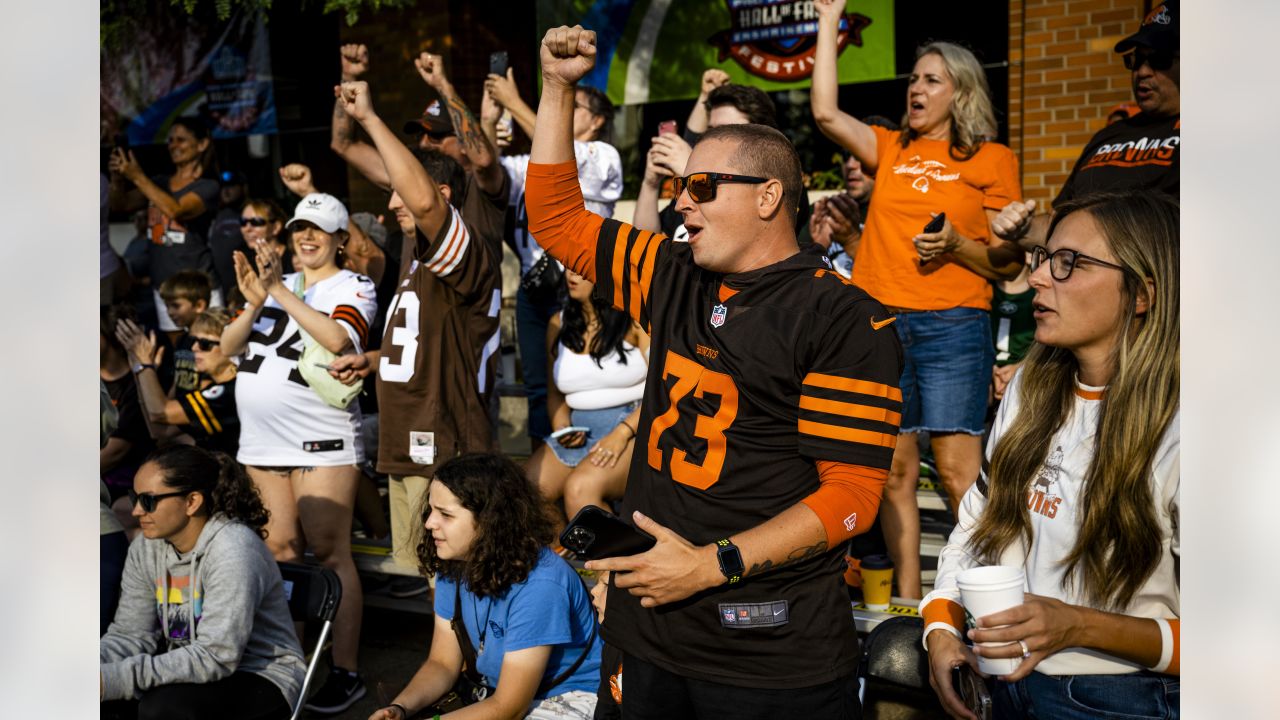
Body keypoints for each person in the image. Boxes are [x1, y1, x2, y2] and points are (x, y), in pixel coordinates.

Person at [526, 26, 903, 718]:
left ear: (767, 197)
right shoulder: (672, 272)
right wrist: (556, 87)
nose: (680, 202)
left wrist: (709, 564)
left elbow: (851, 496)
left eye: (702, 186)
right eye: (677, 185)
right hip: (646, 631)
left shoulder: (841, 316)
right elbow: (555, 221)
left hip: (764, 651)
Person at [921, 191, 1180, 719]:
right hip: (1001, 682)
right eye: (1044, 258)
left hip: (1122, 700)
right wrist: (941, 625)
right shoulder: (1029, 388)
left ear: (1143, 294)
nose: (1038, 277)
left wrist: (1078, 624)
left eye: (1070, 263)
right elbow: (976, 522)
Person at [811, 0, 1025, 599]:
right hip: (881, 322)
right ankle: (910, 602)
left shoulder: (991, 160)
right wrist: (829, 21)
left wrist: (957, 245)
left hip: (954, 324)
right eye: (913, 78)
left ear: (961, 93)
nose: (916, 88)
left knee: (958, 472)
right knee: (894, 472)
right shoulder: (893, 148)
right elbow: (825, 112)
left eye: (932, 79)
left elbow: (1008, 262)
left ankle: (984, 593)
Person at [325, 83, 502, 586]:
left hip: (444, 442)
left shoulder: (465, 249)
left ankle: (472, 666)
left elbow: (425, 204)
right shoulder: (413, 261)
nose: (392, 206)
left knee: (454, 582)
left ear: (440, 197)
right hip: (406, 440)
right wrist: (376, 359)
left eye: (400, 192)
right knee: (424, 576)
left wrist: (372, 117)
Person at [220, 191, 377, 714]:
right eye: (298, 230)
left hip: (322, 439)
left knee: (331, 555)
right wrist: (258, 299)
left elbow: (339, 340)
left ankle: (346, 669)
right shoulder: (274, 286)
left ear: (339, 238)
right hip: (261, 444)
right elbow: (227, 348)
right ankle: (289, 660)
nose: (306, 238)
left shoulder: (354, 284)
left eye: (317, 229)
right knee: (281, 554)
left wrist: (279, 294)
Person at [369, 453, 601, 720]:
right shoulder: (455, 561)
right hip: (497, 692)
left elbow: (509, 708)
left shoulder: (541, 583)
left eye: (445, 514)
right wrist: (400, 708)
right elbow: (442, 663)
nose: (429, 523)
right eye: (431, 510)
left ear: (490, 521)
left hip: (568, 696)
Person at [100, 445, 306, 720]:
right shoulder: (145, 548)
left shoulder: (234, 550)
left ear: (192, 502)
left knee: (161, 708)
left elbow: (218, 655)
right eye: (133, 497)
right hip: (192, 668)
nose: (136, 511)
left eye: (148, 501)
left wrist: (113, 680)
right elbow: (129, 634)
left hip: (260, 674)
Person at [483, 69, 623, 446]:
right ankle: (546, 479)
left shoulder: (604, 155)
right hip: (536, 287)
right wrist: (489, 122)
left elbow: (569, 158)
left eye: (572, 105)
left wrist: (516, 103)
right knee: (537, 388)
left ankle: (593, 460)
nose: (560, 110)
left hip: (586, 287)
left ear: (597, 121)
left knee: (584, 378)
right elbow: (489, 173)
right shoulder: (528, 162)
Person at [991, 0, 1180, 251]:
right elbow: (1062, 224)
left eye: (1159, 59)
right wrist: (1024, 229)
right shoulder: (1109, 135)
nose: (1142, 71)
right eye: (1135, 60)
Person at [331, 43, 510, 259]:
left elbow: (482, 161)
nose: (424, 143)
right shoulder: (412, 180)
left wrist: (442, 84)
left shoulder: (482, 188)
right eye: (419, 135)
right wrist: (348, 77)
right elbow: (344, 144)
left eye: (436, 135)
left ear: (464, 142)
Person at [525, 268, 648, 520]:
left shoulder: (635, 319)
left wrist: (622, 433)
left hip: (632, 427)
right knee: (524, 492)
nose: (571, 275)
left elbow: (665, 388)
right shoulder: (558, 323)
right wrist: (563, 428)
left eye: (580, 269)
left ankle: (623, 558)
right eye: (567, 267)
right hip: (577, 428)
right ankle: (561, 554)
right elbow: (554, 393)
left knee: (580, 491)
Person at [636, 76, 811, 240]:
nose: (712, 139)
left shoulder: (779, 184)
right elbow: (645, 247)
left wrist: (692, 174)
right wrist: (650, 185)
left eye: (725, 131)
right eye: (710, 130)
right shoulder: (689, 194)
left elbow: (747, 244)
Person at [107, 118, 224, 332]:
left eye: (181, 140)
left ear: (202, 144)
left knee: (211, 348)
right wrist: (118, 179)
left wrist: (137, 176)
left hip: (198, 288)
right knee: (181, 356)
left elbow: (176, 210)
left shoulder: (208, 186)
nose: (173, 145)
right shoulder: (159, 183)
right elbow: (120, 205)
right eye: (170, 140)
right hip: (164, 287)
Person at [115, 309, 241, 457]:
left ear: (232, 347)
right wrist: (140, 373)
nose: (194, 348)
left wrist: (145, 366)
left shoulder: (232, 392)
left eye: (204, 344)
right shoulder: (216, 388)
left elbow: (161, 413)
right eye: (192, 341)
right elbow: (161, 432)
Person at [156, 269, 214, 394]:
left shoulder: (210, 343)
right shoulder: (182, 341)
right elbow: (178, 383)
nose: (170, 312)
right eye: (167, 306)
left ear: (199, 305)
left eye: (176, 306)